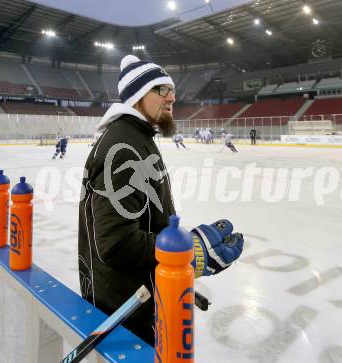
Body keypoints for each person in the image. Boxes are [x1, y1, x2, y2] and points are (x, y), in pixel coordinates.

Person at [78, 55, 244, 346]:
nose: (172, 97)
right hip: (123, 311)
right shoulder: (123, 146)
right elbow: (116, 243)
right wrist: (188, 252)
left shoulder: (136, 137)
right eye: (162, 89)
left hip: (138, 299)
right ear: (138, 96)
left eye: (173, 90)